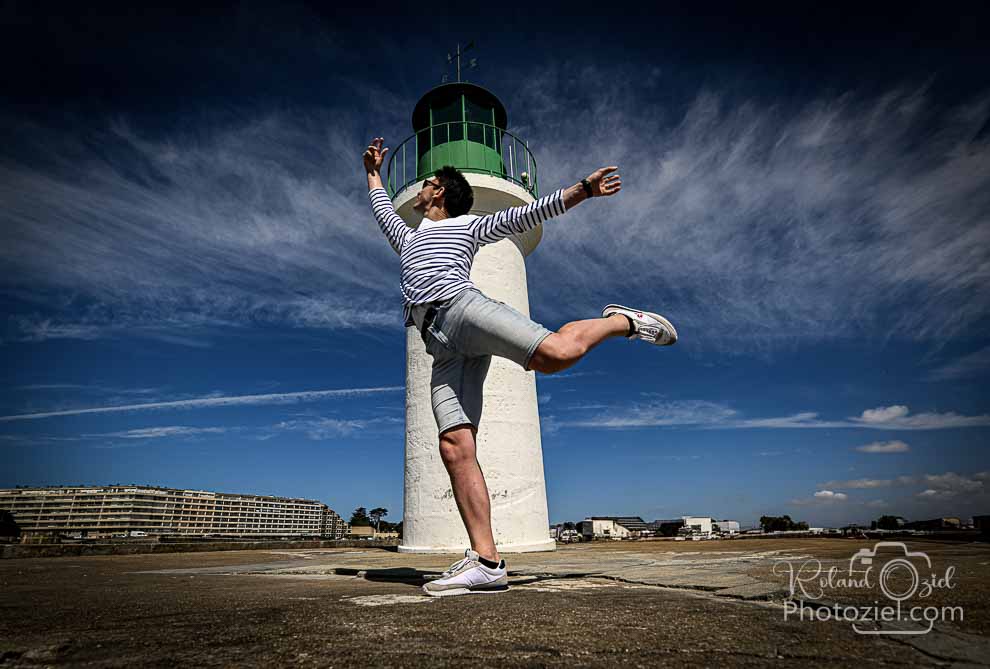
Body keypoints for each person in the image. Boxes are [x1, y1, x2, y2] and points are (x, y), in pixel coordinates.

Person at [363, 137, 677, 597]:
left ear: (441, 193)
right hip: (438, 343)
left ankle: (622, 321)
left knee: (555, 356)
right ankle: (487, 562)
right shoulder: (409, 236)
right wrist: (372, 170)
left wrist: (583, 190)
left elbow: (526, 215)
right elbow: (381, 209)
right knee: (454, 446)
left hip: (463, 307)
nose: (423, 185)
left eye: (429, 181)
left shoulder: (467, 225)